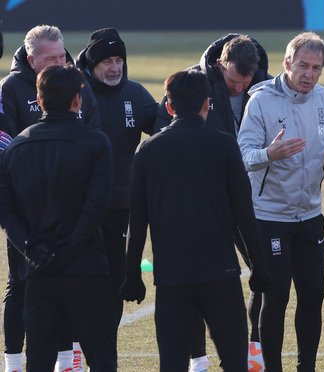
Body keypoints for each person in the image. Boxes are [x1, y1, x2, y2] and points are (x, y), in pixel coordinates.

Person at [120, 69, 272, 372]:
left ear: (170, 107)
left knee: (173, 363)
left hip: (172, 277)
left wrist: (133, 274)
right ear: (206, 104)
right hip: (220, 274)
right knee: (233, 361)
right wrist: (259, 266)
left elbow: (137, 221)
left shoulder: (148, 151)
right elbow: (244, 212)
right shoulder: (225, 145)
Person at [238, 31, 324, 372]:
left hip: (308, 217)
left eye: (316, 68)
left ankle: (306, 366)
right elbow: (243, 153)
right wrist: (268, 153)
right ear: (287, 63)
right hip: (269, 216)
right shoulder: (260, 101)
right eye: (303, 66)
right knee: (275, 295)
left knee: (313, 294)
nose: (309, 74)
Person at [0, 64, 116, 372]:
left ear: (39, 100)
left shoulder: (18, 147)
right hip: (86, 267)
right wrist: (71, 248)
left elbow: (6, 210)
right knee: (101, 357)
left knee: (39, 359)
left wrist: (33, 250)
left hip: (39, 271)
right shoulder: (96, 142)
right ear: (78, 100)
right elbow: (96, 207)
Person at [74, 26, 157, 352]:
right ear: (92, 64)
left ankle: (103, 351)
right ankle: (73, 350)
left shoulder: (135, 95)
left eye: (119, 59)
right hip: (77, 208)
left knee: (114, 282)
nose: (115, 67)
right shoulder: (73, 91)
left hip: (120, 208)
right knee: (77, 281)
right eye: (107, 60)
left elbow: (167, 132)